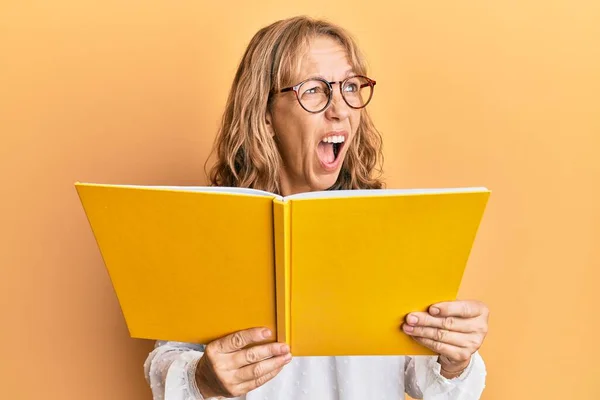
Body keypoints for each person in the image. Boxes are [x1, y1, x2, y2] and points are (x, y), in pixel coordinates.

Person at [144, 16, 489, 400]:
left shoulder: (391, 228)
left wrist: (455, 359)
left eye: (349, 86)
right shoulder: (212, 227)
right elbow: (166, 361)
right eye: (314, 90)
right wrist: (202, 378)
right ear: (265, 115)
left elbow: (423, 378)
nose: (340, 109)